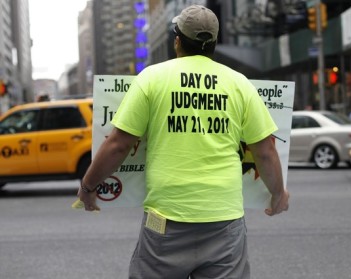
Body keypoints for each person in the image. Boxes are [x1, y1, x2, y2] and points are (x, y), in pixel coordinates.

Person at [78, 5, 289, 279]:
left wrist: (88, 186)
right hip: (224, 220)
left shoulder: (151, 79)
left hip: (165, 219)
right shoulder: (240, 84)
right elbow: (265, 150)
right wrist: (278, 193)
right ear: (213, 42)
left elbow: (119, 144)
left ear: (177, 40)